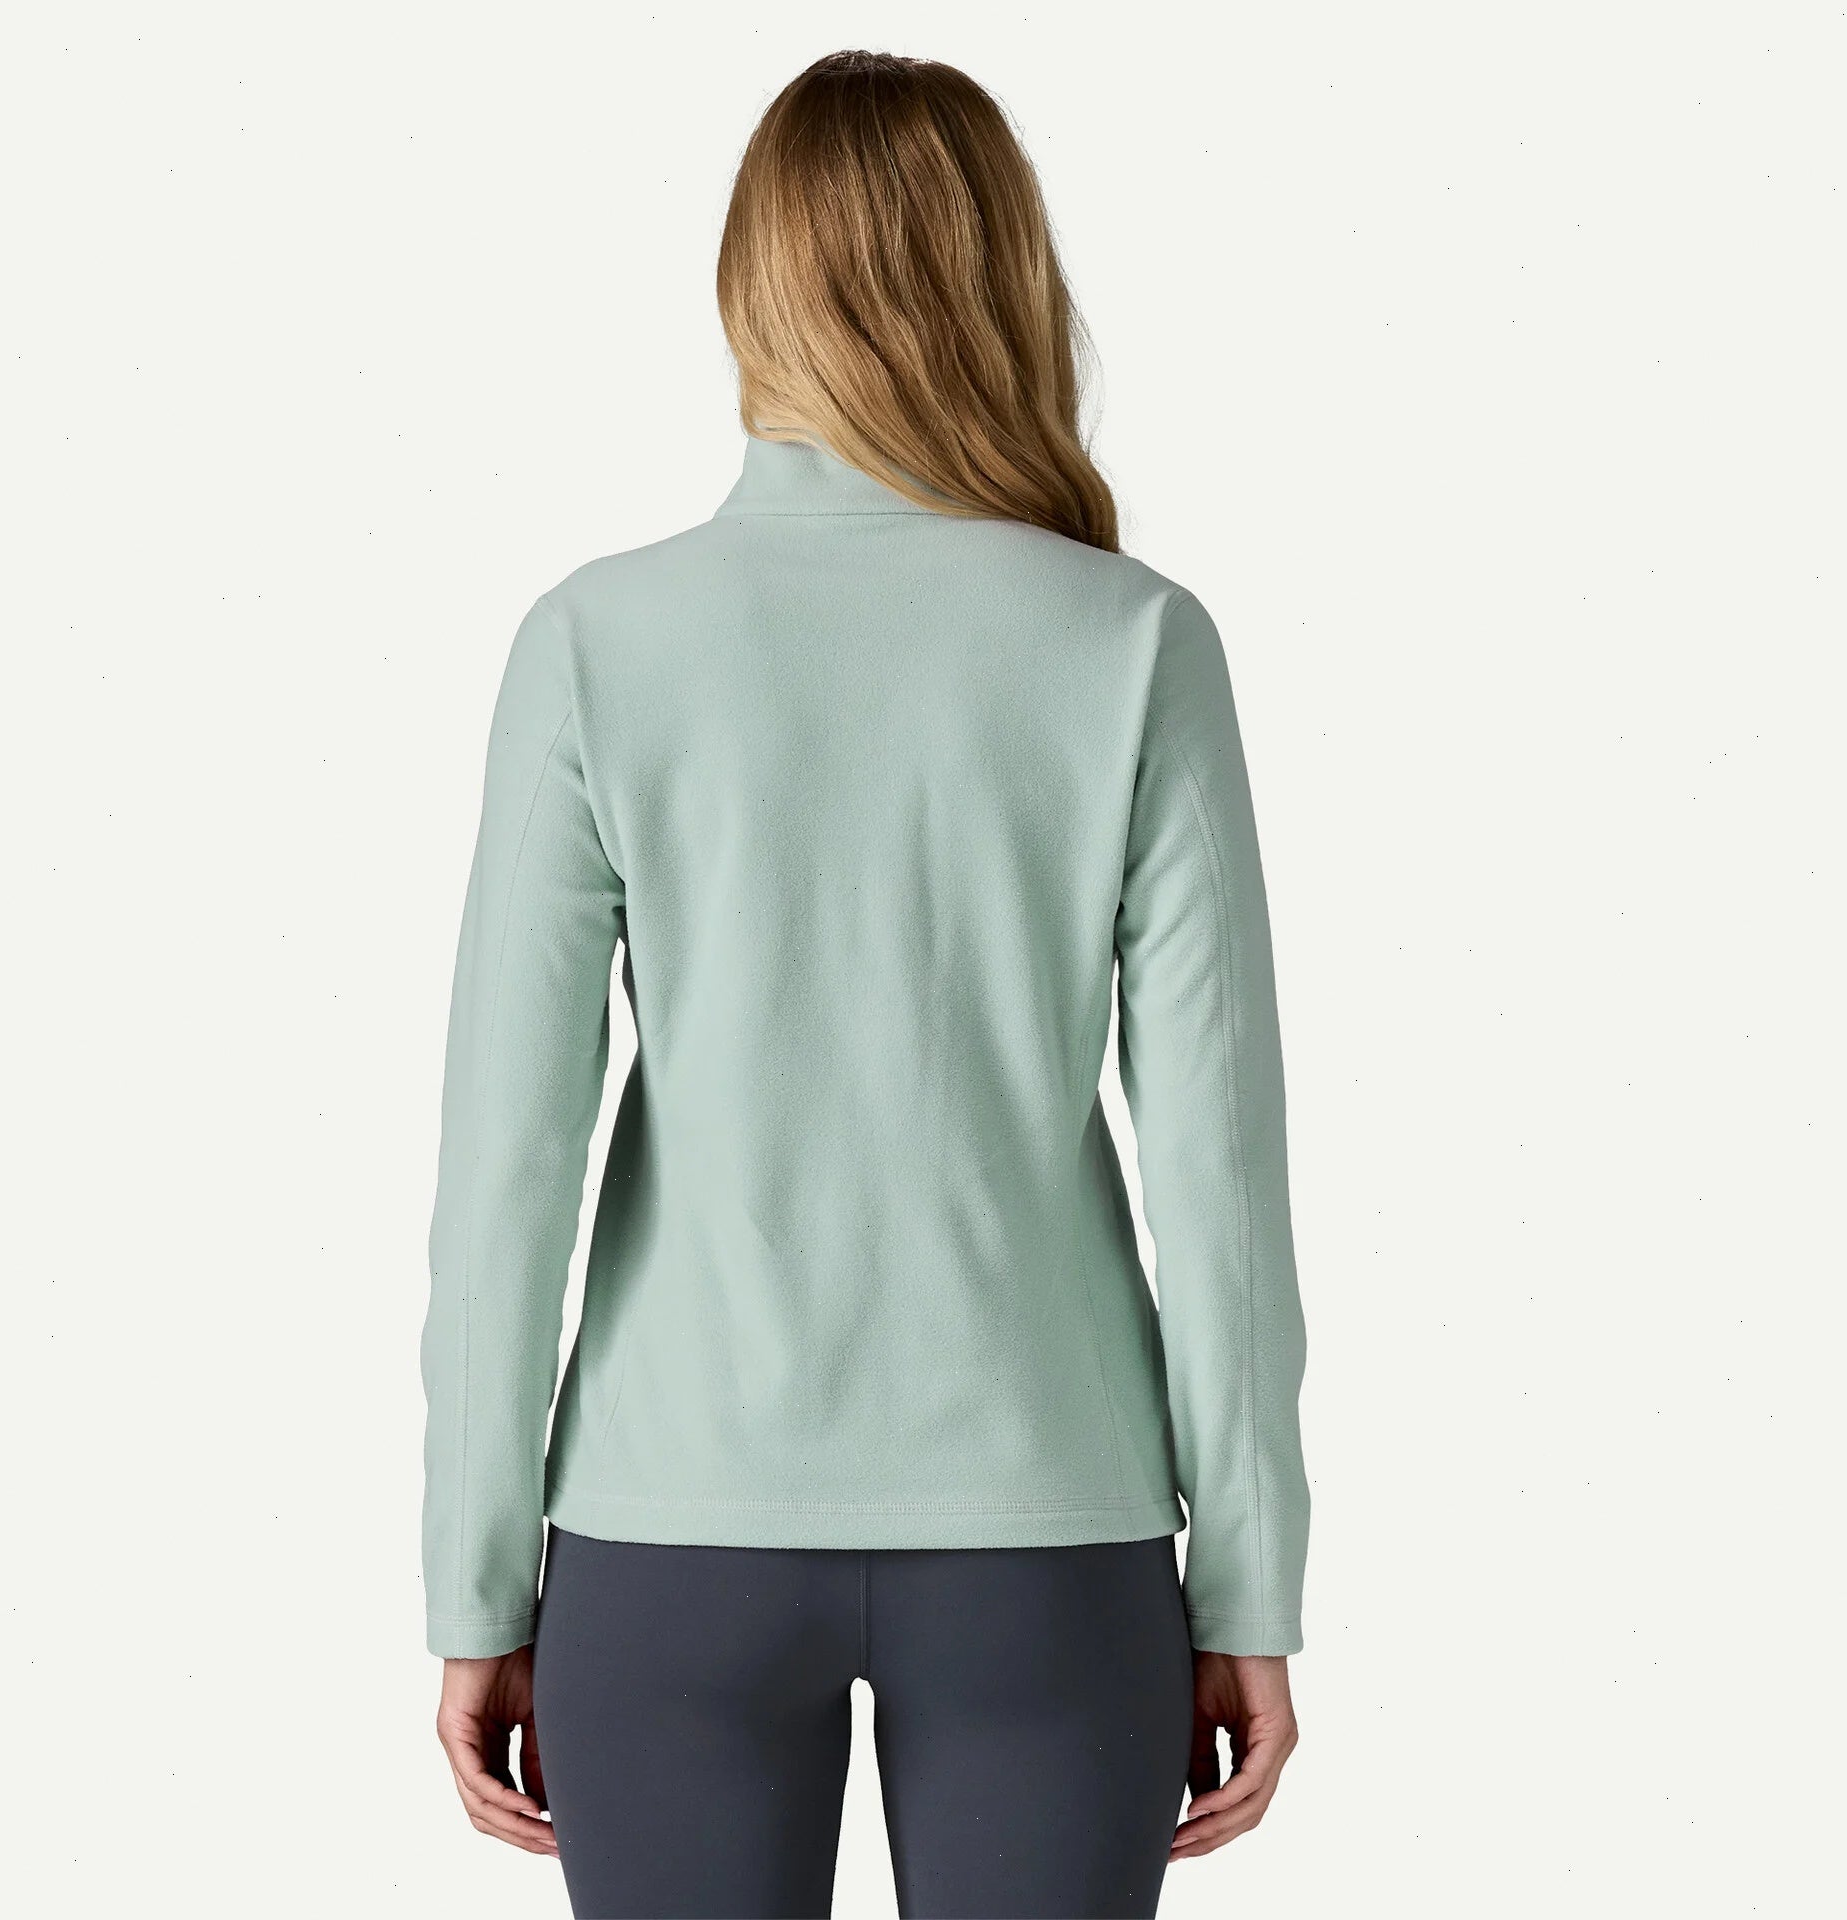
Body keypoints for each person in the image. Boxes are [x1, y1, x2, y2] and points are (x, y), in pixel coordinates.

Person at [421, 48, 1311, 1920]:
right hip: (1049, 1541)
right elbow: (1220, 1179)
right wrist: (1249, 1581)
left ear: (750, 288)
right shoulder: (1135, 646)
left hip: (665, 1538)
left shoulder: (595, 645)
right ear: (1006, 281)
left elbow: (506, 1179)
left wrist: (474, 1584)